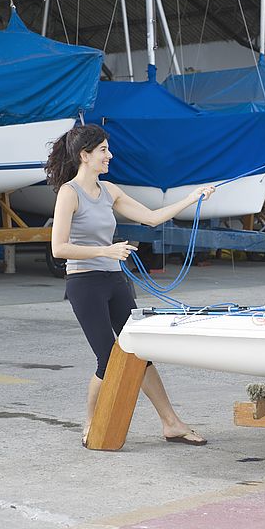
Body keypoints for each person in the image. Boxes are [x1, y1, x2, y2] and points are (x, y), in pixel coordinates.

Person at [45, 123, 215, 447]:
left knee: (140, 352)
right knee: (107, 359)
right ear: (85, 155)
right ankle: (91, 423)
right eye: (103, 150)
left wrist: (192, 198)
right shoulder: (69, 193)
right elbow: (59, 248)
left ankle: (171, 424)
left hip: (114, 279)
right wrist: (105, 250)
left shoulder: (110, 191)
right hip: (84, 282)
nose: (110, 155)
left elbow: (151, 217)